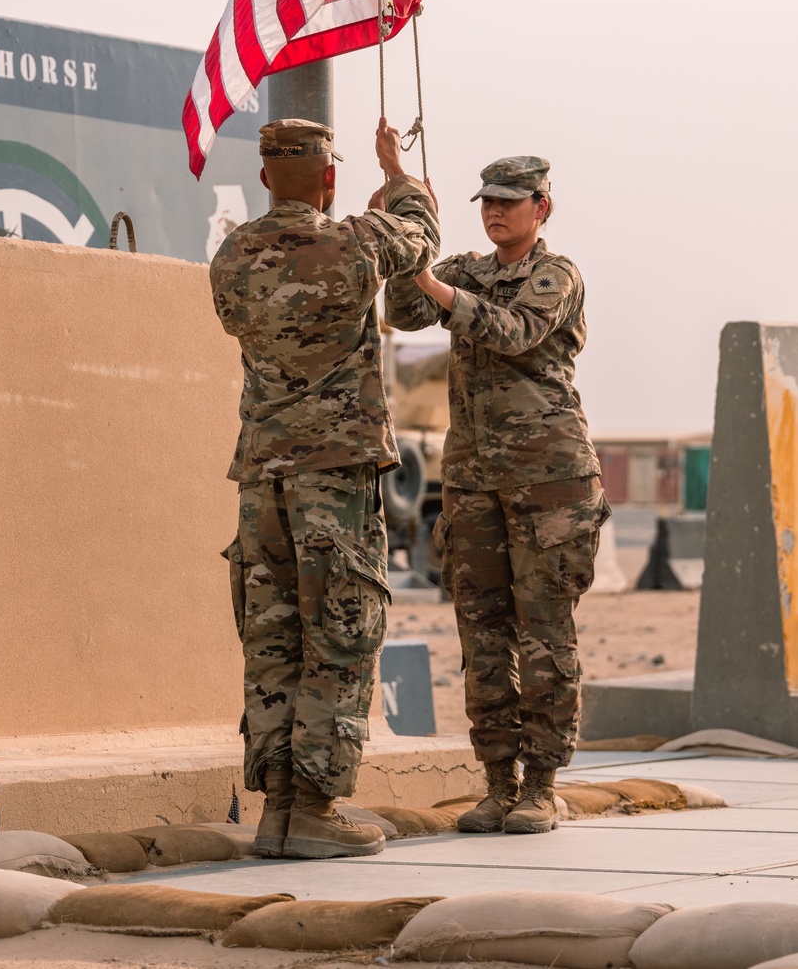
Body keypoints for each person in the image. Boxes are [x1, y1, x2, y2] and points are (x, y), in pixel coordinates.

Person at [210, 116, 439, 861]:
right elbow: (417, 232)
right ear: (329, 179)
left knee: (272, 641)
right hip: (333, 476)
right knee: (340, 635)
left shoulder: (232, 255)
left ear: (267, 175)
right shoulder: (352, 244)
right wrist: (399, 176)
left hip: (261, 477)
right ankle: (313, 808)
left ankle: (276, 810)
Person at [384, 156, 609, 834]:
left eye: (510, 201)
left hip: (550, 482)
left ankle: (541, 785)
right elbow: (402, 309)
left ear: (542, 206)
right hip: (474, 478)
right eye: (487, 200)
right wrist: (406, 217)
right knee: (481, 638)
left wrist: (435, 285)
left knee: (544, 635)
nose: (494, 211)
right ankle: (497, 783)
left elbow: (514, 333)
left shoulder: (555, 274)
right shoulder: (463, 270)